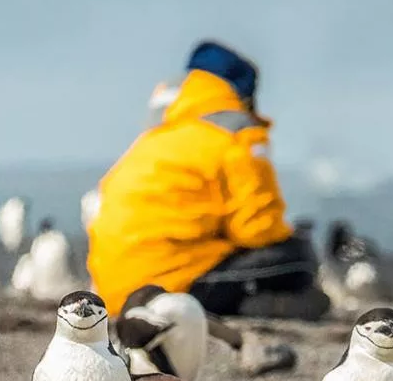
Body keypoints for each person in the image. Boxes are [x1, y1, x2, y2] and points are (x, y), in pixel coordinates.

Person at [88, 40, 329, 319]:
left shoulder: (153, 138)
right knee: (296, 256)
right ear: (244, 94)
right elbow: (257, 228)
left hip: (115, 293)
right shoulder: (236, 134)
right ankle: (253, 306)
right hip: (173, 284)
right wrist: (292, 239)